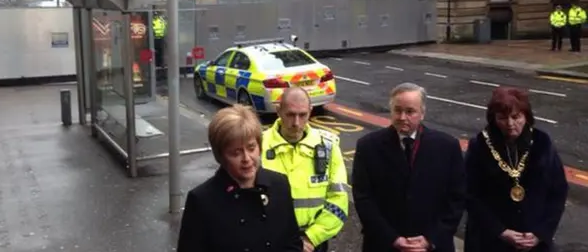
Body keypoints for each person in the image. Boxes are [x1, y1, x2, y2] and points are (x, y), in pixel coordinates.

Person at [352, 82, 465, 252]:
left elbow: (456, 198)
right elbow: (363, 198)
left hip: (432, 246)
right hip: (384, 245)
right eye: (398, 110)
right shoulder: (368, 146)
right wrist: (392, 238)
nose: (402, 117)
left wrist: (431, 239)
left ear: (422, 113)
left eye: (410, 111)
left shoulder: (447, 146)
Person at [177, 104, 302, 252]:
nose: (247, 159)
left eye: (251, 148)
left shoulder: (279, 184)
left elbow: (292, 242)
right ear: (221, 156)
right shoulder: (202, 200)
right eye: (236, 153)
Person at [463, 87, 568, 252]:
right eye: (502, 118)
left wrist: (541, 233)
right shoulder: (480, 146)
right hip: (489, 242)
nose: (510, 124)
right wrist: (500, 231)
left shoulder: (542, 142)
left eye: (516, 117)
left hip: (534, 242)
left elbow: (558, 191)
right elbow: (470, 195)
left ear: (526, 116)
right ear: (493, 119)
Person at [262, 87, 349, 252]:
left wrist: (311, 238)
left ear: (310, 111)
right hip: (272, 242)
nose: (296, 123)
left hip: (314, 243)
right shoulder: (259, 146)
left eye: (302, 115)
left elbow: (339, 201)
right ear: (278, 111)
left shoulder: (328, 147)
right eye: (290, 115)